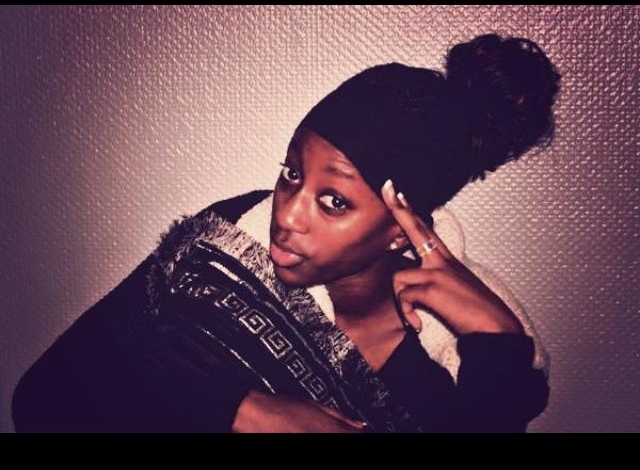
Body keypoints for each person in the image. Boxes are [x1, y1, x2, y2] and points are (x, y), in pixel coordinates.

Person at [12, 33, 562, 433]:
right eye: (291, 173)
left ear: (401, 230)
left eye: (333, 201)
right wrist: (237, 409)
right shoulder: (225, 248)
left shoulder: (444, 368)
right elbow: (43, 400)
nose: (287, 215)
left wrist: (498, 347)